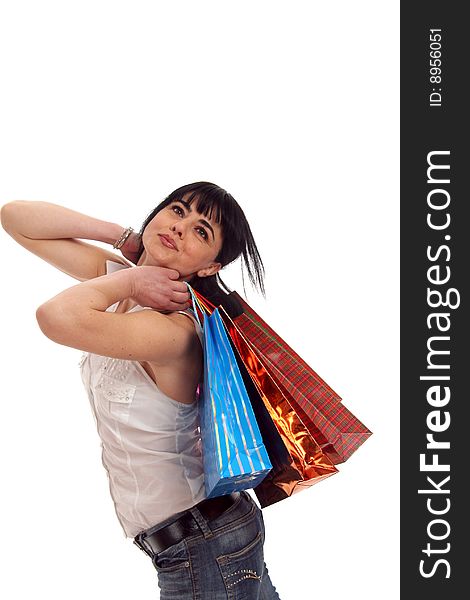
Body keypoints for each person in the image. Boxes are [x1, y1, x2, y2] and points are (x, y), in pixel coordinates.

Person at [0, 181, 281, 599]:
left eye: (202, 232)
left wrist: (131, 284)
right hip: (205, 535)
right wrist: (123, 239)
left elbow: (54, 317)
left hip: (203, 543)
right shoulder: (121, 280)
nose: (180, 227)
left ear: (209, 268)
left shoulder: (173, 329)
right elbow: (15, 217)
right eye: (177, 210)